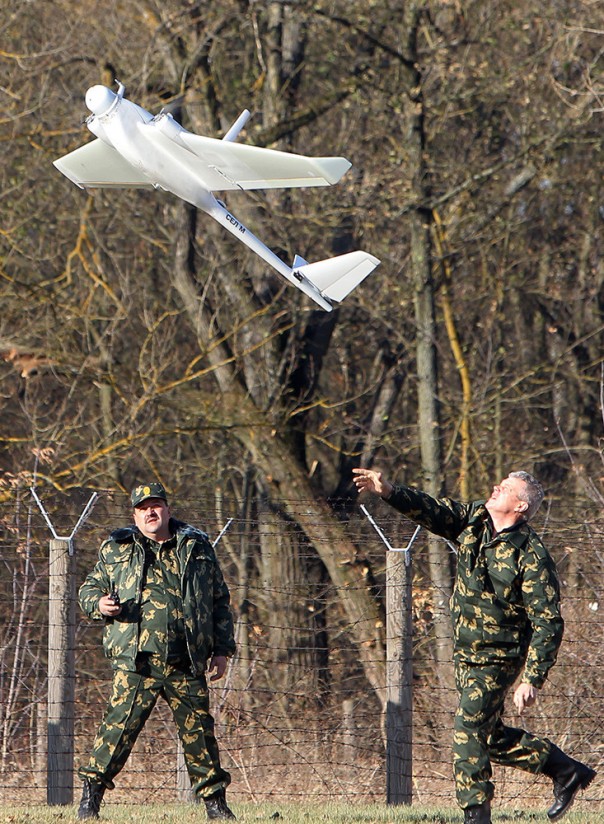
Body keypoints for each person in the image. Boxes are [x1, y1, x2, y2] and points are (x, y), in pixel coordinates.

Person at [352, 467, 596, 824]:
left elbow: (548, 622)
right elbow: (433, 510)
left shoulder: (531, 555)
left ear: (521, 506)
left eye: (507, 488)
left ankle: (475, 814)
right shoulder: (473, 522)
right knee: (490, 737)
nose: (496, 487)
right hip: (466, 653)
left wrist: (532, 678)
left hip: (500, 655)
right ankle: (566, 771)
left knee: (467, 728)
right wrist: (389, 491)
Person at [77, 482, 237, 821]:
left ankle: (216, 805)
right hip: (137, 660)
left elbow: (219, 600)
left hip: (186, 658)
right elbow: (90, 589)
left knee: (199, 736)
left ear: (167, 508)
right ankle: (90, 801)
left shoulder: (196, 546)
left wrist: (222, 649)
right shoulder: (116, 548)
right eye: (143, 507)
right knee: (116, 732)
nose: (151, 512)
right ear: (134, 514)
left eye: (156, 505)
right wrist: (100, 604)